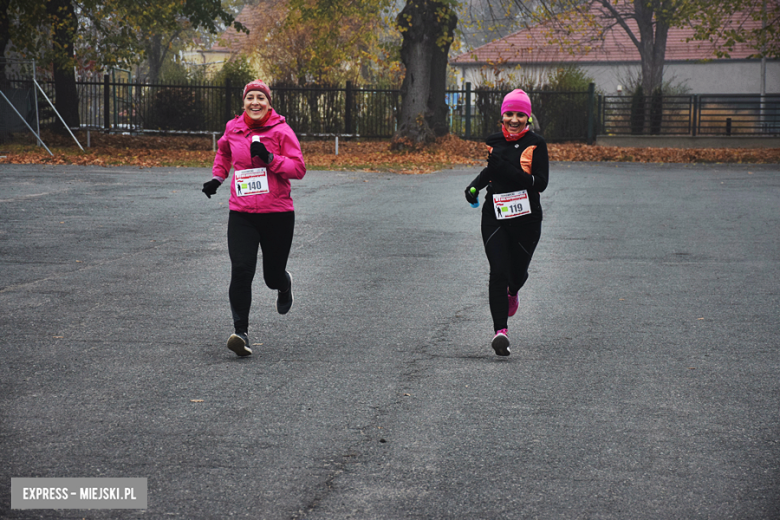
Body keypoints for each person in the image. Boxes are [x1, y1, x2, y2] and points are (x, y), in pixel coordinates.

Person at [202, 79, 306, 357]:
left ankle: (284, 284)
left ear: (269, 103)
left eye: (261, 97)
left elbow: (298, 168)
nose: (255, 102)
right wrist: (217, 177)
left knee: (271, 277)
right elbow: (223, 153)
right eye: (250, 98)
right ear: (244, 103)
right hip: (242, 213)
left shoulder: (282, 131)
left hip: (278, 215)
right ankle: (241, 333)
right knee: (242, 269)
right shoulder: (233, 128)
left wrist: (271, 158)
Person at [465, 89, 549, 356]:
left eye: (520, 114)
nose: (514, 119)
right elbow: (492, 169)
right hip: (495, 216)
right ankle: (500, 331)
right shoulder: (494, 141)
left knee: (516, 273)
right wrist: (474, 187)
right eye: (509, 114)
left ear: (528, 117)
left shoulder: (537, 144)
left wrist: (508, 170)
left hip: (527, 219)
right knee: (498, 270)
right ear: (502, 116)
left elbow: (540, 184)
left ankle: (514, 291)